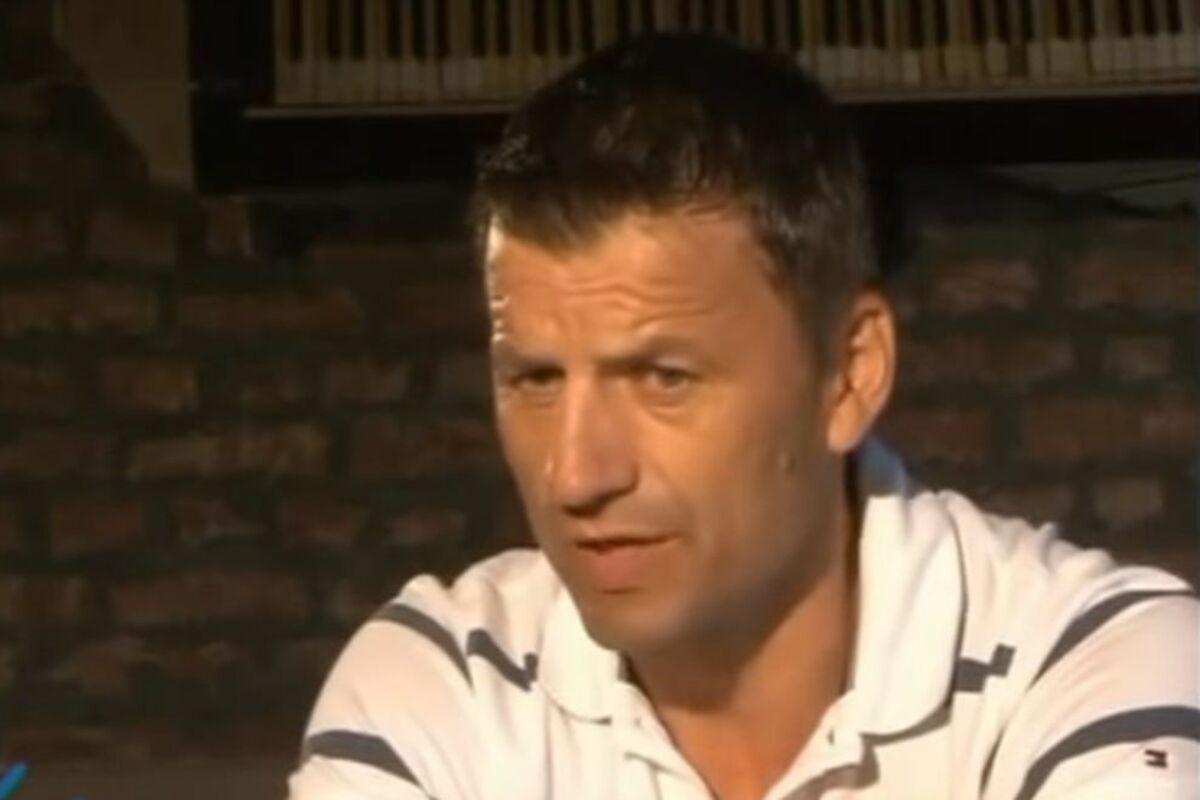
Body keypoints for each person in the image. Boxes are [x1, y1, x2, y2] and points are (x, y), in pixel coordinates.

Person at [288, 33, 1198, 800]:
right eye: (534, 379)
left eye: (663, 377)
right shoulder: (442, 686)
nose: (577, 473)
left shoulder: (1099, 664)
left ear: (849, 375)